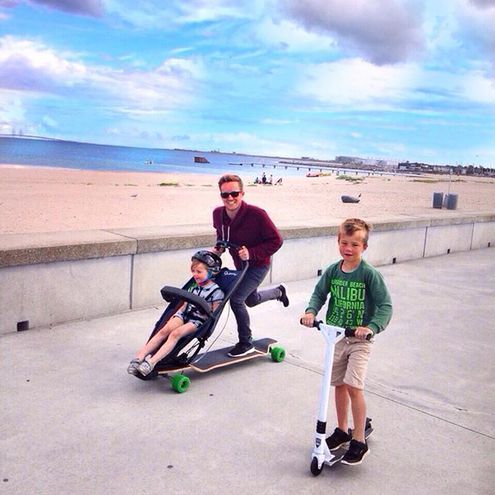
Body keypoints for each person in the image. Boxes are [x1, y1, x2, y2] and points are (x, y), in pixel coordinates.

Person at [300, 218, 392, 465]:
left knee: (353, 385)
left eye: (354, 244)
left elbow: (385, 306)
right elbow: (319, 293)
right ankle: (342, 430)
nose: (348, 248)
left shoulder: (369, 274)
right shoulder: (333, 270)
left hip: (360, 340)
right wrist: (311, 312)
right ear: (338, 242)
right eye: (344, 243)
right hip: (336, 337)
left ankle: (359, 439)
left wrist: (371, 327)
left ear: (364, 247)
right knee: (339, 384)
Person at [212, 173, 289, 357]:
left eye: (234, 193)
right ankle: (279, 292)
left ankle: (246, 343)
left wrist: (252, 253)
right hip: (240, 265)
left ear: (242, 193)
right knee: (250, 300)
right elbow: (221, 235)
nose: (230, 198)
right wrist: (218, 248)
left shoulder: (257, 215)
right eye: (225, 194)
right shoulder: (217, 214)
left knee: (236, 299)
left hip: (259, 264)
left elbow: (276, 241)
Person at [127, 251, 224, 376]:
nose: (195, 275)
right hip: (184, 314)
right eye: (193, 271)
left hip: (197, 320)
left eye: (199, 272)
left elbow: (212, 314)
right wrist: (178, 315)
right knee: (163, 330)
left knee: (175, 334)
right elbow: (185, 304)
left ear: (211, 272)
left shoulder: (217, 292)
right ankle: (139, 358)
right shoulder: (194, 286)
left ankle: (151, 362)